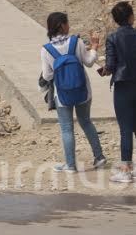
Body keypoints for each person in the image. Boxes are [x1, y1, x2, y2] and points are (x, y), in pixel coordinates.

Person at [41, 12, 107, 173]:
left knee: (66, 128)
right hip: (83, 91)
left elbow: (47, 75)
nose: (69, 26)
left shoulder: (46, 50)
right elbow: (89, 62)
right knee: (86, 122)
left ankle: (70, 165)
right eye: (67, 23)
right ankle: (99, 157)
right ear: (62, 25)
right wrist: (94, 47)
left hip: (62, 95)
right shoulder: (76, 42)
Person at [100, 1, 136, 183]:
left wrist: (105, 70)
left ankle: (126, 171)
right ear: (131, 16)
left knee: (126, 129)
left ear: (116, 20)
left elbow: (110, 65)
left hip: (123, 86)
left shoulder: (113, 38)